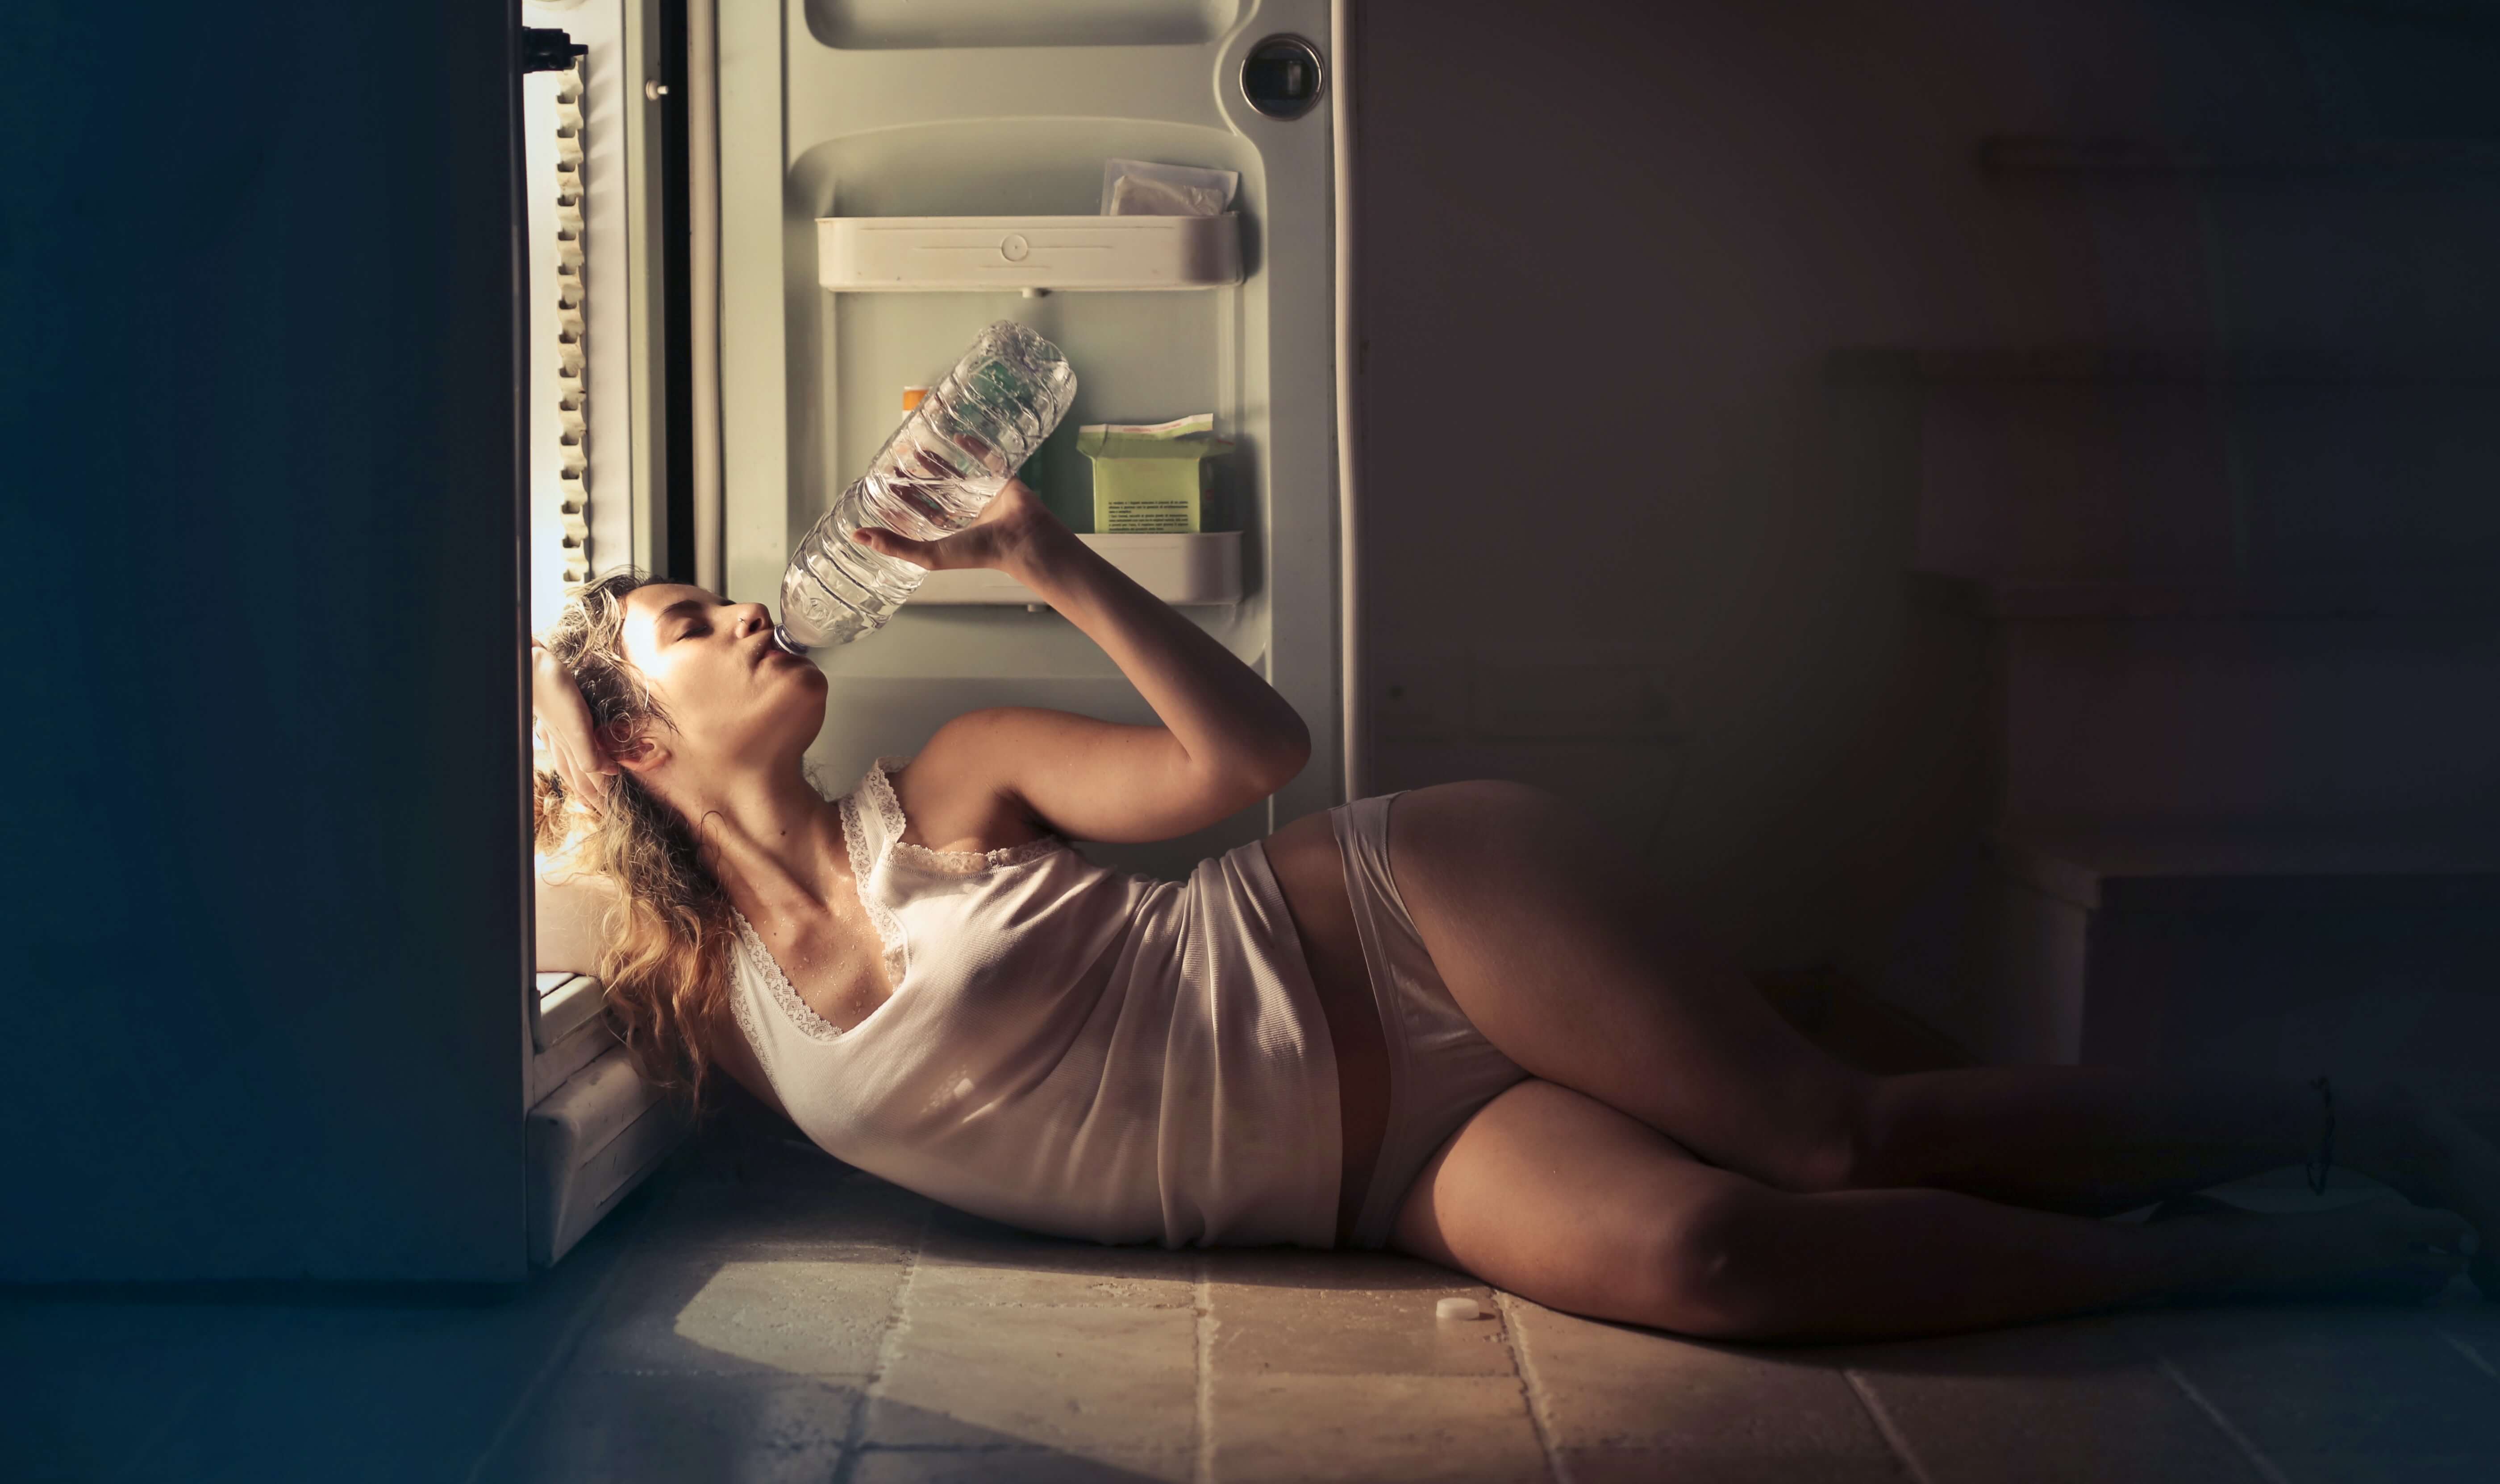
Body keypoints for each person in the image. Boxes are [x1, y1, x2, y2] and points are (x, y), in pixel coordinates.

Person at [530, 480, 2496, 1341]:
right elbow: (482, 830)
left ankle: (2342, 1125)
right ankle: (2223, 1267)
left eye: (717, 590)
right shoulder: (708, 1006)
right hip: (1384, 1174)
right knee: (1728, 1263)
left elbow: (1250, 757)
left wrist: (1045, 559)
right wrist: (546, 680)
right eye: (685, 626)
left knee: (1828, 1133)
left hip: (1403, 915)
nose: (743, 610)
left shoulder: (944, 777)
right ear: (624, 745)